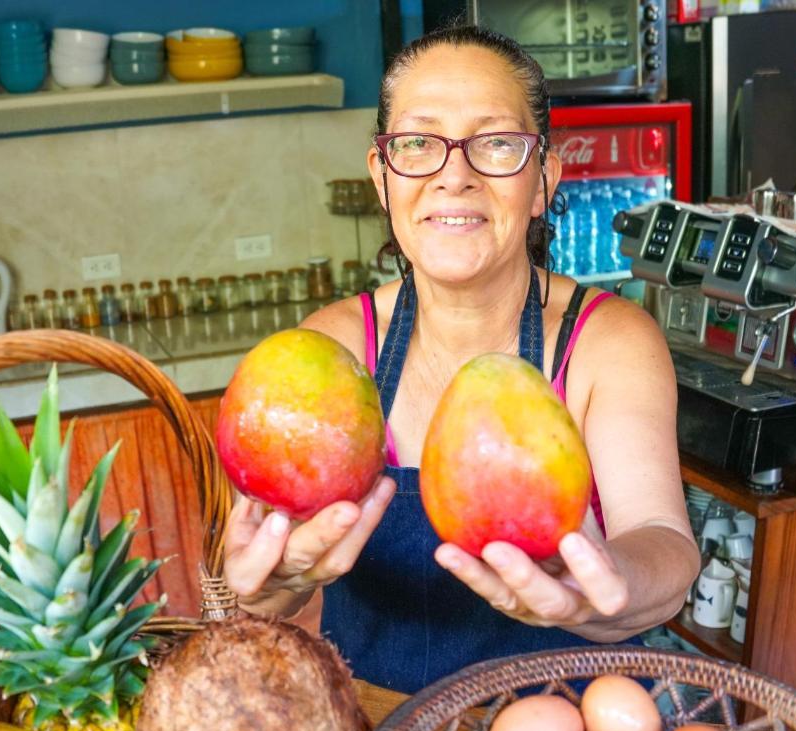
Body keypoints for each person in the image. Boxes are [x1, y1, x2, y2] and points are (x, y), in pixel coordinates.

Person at [222, 25, 700, 694]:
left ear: (543, 180)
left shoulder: (608, 342)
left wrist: (604, 584)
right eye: (417, 143)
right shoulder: (332, 351)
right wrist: (266, 588)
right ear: (382, 178)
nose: (454, 175)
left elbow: (662, 541)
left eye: (497, 143)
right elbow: (251, 583)